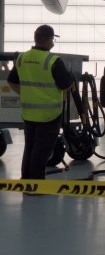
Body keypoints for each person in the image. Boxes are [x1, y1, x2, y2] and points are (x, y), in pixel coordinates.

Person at [7, 25, 72, 180]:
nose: (53, 43)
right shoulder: (53, 61)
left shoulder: (22, 58)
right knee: (42, 150)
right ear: (49, 39)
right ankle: (35, 184)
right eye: (53, 39)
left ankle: (26, 181)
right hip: (50, 114)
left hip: (28, 113)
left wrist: (28, 94)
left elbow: (11, 81)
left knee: (29, 148)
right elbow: (66, 85)